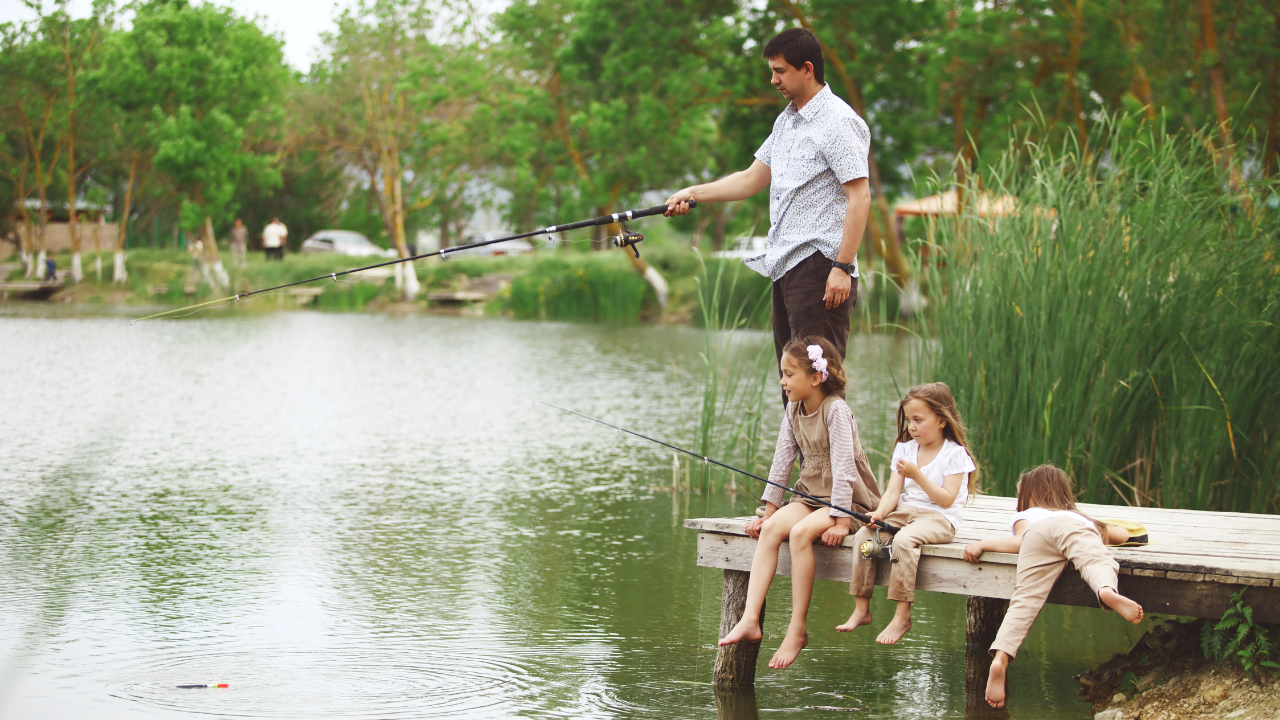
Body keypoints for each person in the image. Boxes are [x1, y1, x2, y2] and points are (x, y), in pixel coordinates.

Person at [665, 28, 871, 399]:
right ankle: (796, 443)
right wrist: (692, 193)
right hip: (786, 267)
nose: (773, 80)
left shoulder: (838, 122)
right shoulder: (786, 121)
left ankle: (833, 444)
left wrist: (842, 267)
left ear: (807, 69)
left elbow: (860, 197)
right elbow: (750, 180)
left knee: (819, 390)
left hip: (820, 268)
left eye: (780, 71)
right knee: (793, 386)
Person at [717, 336, 882, 669]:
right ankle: (750, 618)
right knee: (772, 530)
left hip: (848, 503)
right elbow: (781, 462)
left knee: (800, 534)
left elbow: (845, 470)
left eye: (789, 374)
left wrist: (840, 521)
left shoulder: (836, 410)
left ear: (816, 377)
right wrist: (769, 513)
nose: (782, 381)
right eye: (782, 373)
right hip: (811, 494)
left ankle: (797, 629)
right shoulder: (793, 408)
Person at [963, 464, 1143, 709]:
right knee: (1095, 561)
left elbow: (1019, 543)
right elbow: (1122, 536)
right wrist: (1097, 524)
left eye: (1020, 494)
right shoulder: (1077, 517)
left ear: (1032, 495)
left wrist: (984, 543)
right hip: (1074, 529)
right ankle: (1106, 591)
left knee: (1025, 598)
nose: (1018, 501)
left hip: (1036, 536)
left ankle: (1001, 657)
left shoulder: (1028, 516)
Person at [839, 382, 978, 645]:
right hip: (905, 511)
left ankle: (902, 615)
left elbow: (947, 499)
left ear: (941, 420)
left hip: (940, 517)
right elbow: (893, 493)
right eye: (908, 420)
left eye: (918, 420)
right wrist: (879, 514)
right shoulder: (905, 449)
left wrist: (917, 475)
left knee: (903, 541)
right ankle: (861, 608)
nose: (911, 426)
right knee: (864, 538)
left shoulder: (954, 454)